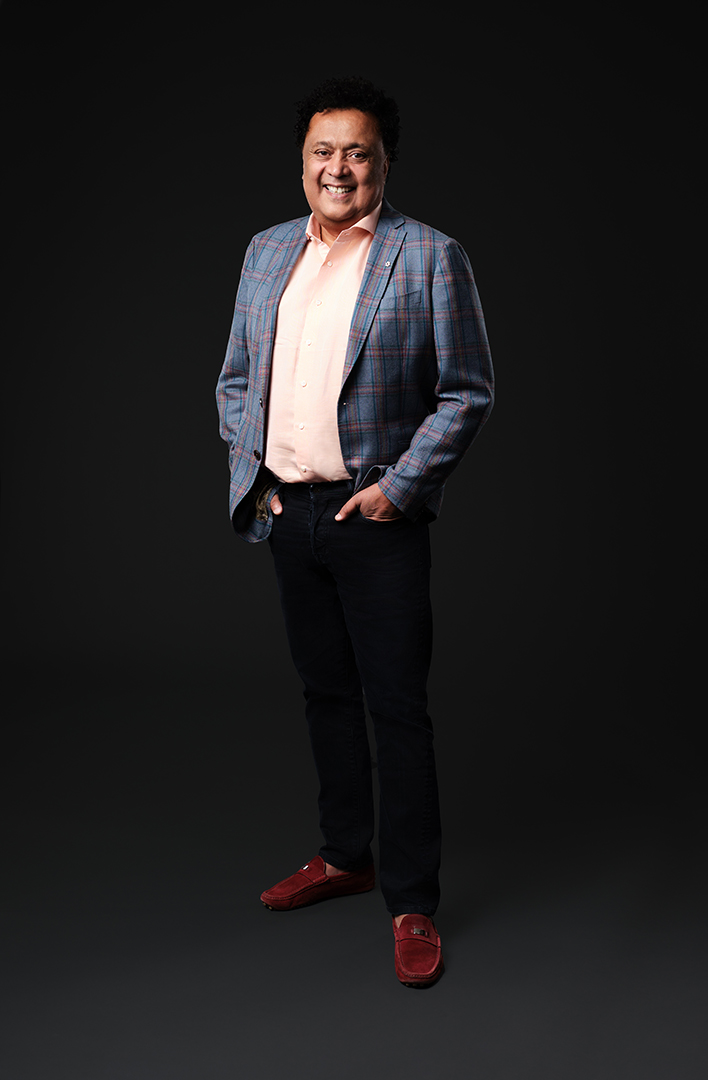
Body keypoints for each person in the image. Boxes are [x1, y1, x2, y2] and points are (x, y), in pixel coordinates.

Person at [216, 75, 494, 988]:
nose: (338, 168)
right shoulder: (267, 251)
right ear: (303, 161)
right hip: (288, 516)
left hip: (373, 518)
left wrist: (397, 491)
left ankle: (412, 901)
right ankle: (345, 856)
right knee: (324, 694)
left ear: (384, 162)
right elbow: (235, 380)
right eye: (322, 151)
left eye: (358, 152)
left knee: (396, 709)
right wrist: (257, 482)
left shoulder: (429, 256)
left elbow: (467, 392)